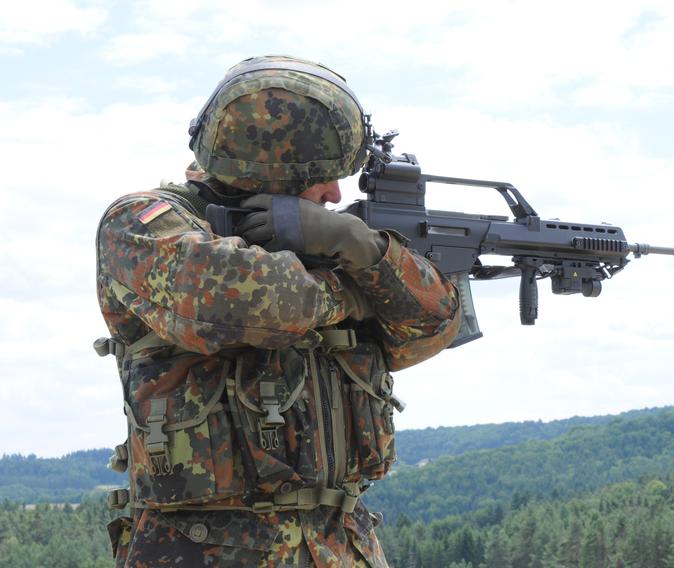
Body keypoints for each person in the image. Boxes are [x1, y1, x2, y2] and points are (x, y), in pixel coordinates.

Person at [95, 55, 461, 567]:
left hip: (341, 545)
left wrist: (369, 250)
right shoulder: (142, 223)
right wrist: (352, 292)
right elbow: (241, 303)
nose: (335, 195)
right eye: (322, 178)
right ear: (271, 168)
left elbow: (434, 325)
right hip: (204, 549)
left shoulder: (343, 247)